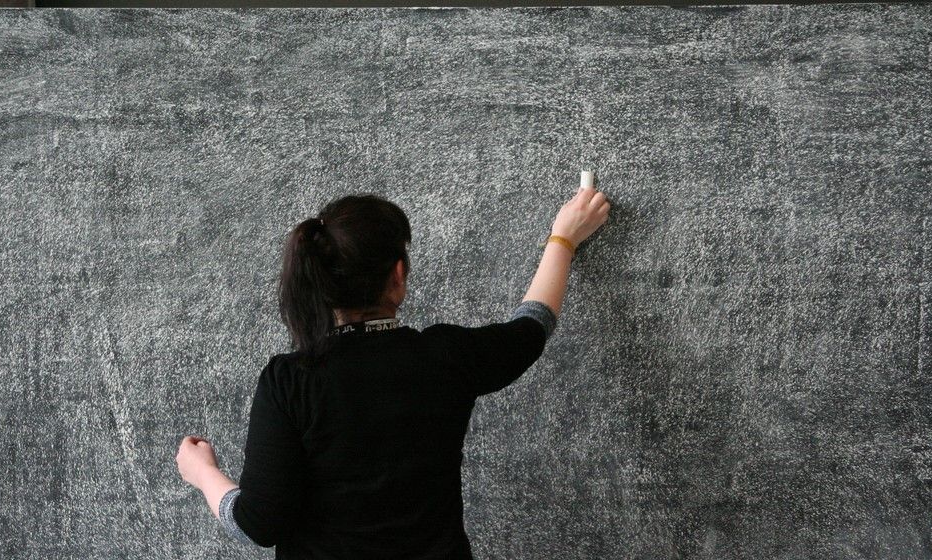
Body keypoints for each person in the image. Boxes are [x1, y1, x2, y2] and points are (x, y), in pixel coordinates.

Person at [176, 182, 610, 559]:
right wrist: (563, 238)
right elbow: (532, 326)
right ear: (398, 275)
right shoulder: (445, 357)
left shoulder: (291, 381)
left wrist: (203, 473)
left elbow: (258, 523)